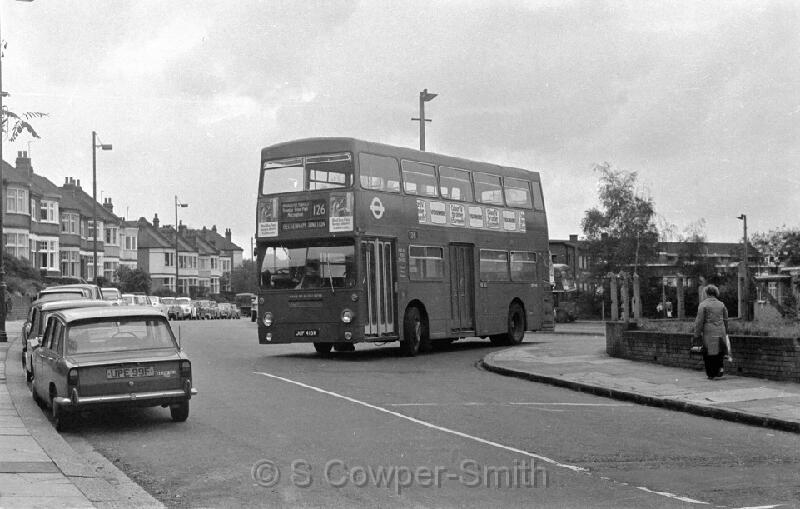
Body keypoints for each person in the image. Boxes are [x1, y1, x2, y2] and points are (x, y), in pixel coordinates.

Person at [693, 285, 732, 379]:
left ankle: (711, 373)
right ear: (715, 293)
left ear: (706, 293)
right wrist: (726, 331)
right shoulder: (721, 304)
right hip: (721, 331)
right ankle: (720, 368)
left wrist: (696, 334)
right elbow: (726, 320)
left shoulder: (703, 305)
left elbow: (699, 321)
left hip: (709, 332)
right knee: (719, 352)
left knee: (709, 354)